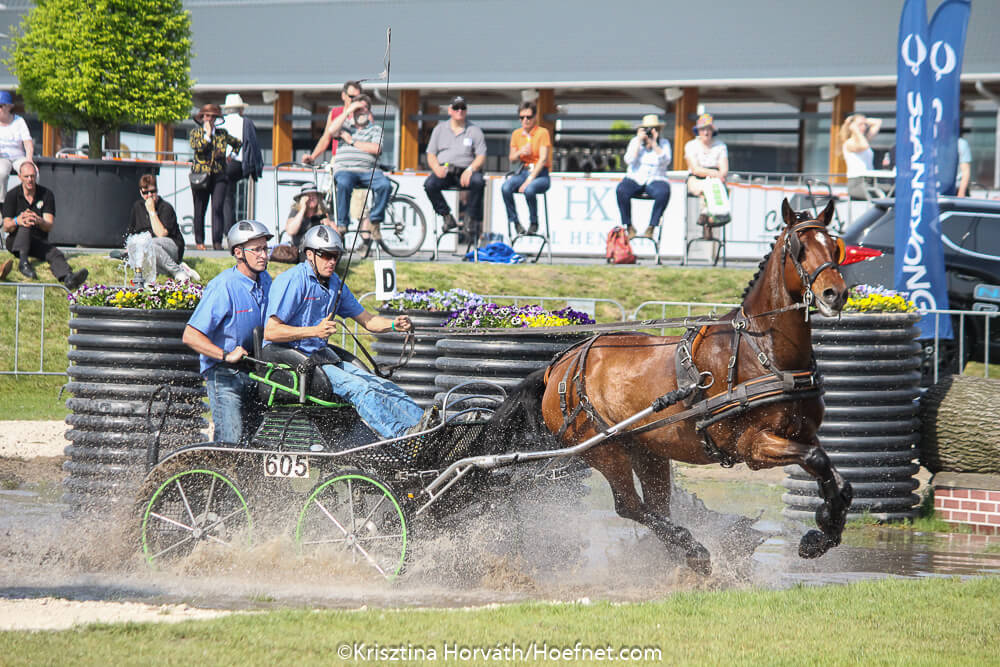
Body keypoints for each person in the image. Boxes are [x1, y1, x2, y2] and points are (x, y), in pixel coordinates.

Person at [263, 225, 426, 439]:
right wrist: (314, 331)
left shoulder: (335, 284)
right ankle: (403, 438)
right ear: (310, 254)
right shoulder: (293, 281)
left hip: (320, 360)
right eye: (326, 255)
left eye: (336, 256)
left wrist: (394, 325)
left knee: (383, 385)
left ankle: (425, 429)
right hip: (292, 363)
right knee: (361, 389)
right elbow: (271, 332)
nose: (332, 261)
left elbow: (368, 321)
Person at [182, 220, 273, 444]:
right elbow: (190, 336)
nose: (264, 255)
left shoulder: (266, 280)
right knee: (231, 442)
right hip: (225, 374)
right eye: (257, 249)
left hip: (255, 372)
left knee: (256, 443)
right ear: (238, 253)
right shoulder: (223, 286)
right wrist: (225, 355)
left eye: (265, 248)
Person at [1, 161, 87, 289]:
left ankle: (68, 278)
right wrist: (18, 220)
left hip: (37, 240)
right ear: (19, 177)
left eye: (32, 176)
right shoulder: (12, 195)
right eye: (26, 176)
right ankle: (23, 263)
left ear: (36, 176)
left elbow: (49, 226)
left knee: (55, 253)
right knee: (26, 222)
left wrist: (38, 220)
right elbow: (6, 226)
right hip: (15, 242)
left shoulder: (46, 194)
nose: (30, 180)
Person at [327, 94, 392, 243]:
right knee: (343, 183)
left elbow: (376, 148)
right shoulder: (344, 126)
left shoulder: (375, 129)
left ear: (369, 111)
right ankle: (342, 224)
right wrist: (348, 111)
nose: (360, 112)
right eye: (357, 109)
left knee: (385, 185)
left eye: (364, 109)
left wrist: (352, 141)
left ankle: (374, 221)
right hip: (345, 169)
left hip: (368, 171)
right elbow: (331, 131)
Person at [423, 96, 487, 239]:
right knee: (430, 185)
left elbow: (481, 156)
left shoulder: (474, 130)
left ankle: (470, 218)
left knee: (479, 182)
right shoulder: (439, 129)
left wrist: (470, 169)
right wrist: (436, 168)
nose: (460, 110)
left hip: (466, 171)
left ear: (466, 110)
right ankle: (446, 216)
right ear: (450, 110)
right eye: (456, 107)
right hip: (446, 171)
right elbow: (431, 154)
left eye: (463, 108)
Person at [125, 174, 198, 283]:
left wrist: (152, 211)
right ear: (140, 192)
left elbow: (161, 233)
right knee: (141, 255)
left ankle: (178, 272)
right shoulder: (137, 207)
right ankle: (180, 267)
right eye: (145, 193)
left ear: (157, 190)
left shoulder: (165, 207)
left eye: (152, 192)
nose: (149, 195)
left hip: (171, 246)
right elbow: (131, 234)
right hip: (149, 248)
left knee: (148, 244)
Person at [189, 103, 241, 250]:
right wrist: (207, 135)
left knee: (217, 207)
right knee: (200, 208)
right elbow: (198, 147)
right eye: (207, 116)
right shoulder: (196, 133)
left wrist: (231, 156)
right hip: (201, 175)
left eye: (213, 116)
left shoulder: (222, 133)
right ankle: (199, 241)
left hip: (219, 175)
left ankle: (217, 242)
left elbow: (237, 143)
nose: (210, 119)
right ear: (202, 117)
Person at [616, 114, 672, 240]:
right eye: (647, 130)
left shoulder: (664, 143)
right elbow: (628, 160)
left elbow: (666, 161)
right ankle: (629, 226)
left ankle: (652, 226)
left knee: (664, 192)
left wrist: (654, 144)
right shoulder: (635, 142)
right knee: (621, 190)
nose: (650, 132)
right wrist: (639, 141)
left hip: (656, 178)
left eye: (653, 129)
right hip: (635, 178)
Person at [501, 101, 552, 235]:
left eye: (528, 117)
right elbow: (512, 158)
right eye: (522, 117)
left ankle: (534, 222)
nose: (525, 120)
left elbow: (543, 159)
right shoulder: (517, 134)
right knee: (506, 188)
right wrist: (521, 152)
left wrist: (529, 180)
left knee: (529, 190)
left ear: (534, 117)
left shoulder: (542, 133)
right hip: (523, 171)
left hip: (540, 174)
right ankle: (515, 222)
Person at [221, 94, 264, 237]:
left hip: (223, 163)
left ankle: (228, 231)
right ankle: (235, 229)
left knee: (225, 198)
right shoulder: (245, 122)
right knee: (234, 196)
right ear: (241, 109)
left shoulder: (220, 122)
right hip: (240, 164)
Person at [303, 81, 363, 166]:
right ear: (343, 96)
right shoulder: (335, 113)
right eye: (351, 96)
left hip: (358, 160)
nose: (354, 100)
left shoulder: (364, 114)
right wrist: (312, 157)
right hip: (338, 160)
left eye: (357, 98)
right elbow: (326, 138)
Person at [839, 113, 882, 201]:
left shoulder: (864, 139)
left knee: (890, 192)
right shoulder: (849, 143)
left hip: (870, 181)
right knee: (881, 197)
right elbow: (864, 146)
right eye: (860, 125)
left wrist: (863, 121)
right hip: (857, 183)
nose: (864, 127)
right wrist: (855, 129)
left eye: (865, 125)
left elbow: (878, 122)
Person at [0, 91, 33, 204]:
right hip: (2, 158)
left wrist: (29, 160)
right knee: (1, 172)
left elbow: (28, 143)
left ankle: (27, 202)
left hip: (18, 157)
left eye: (0, 106)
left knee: (32, 172)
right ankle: (2, 205)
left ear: (8, 107)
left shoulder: (19, 121)